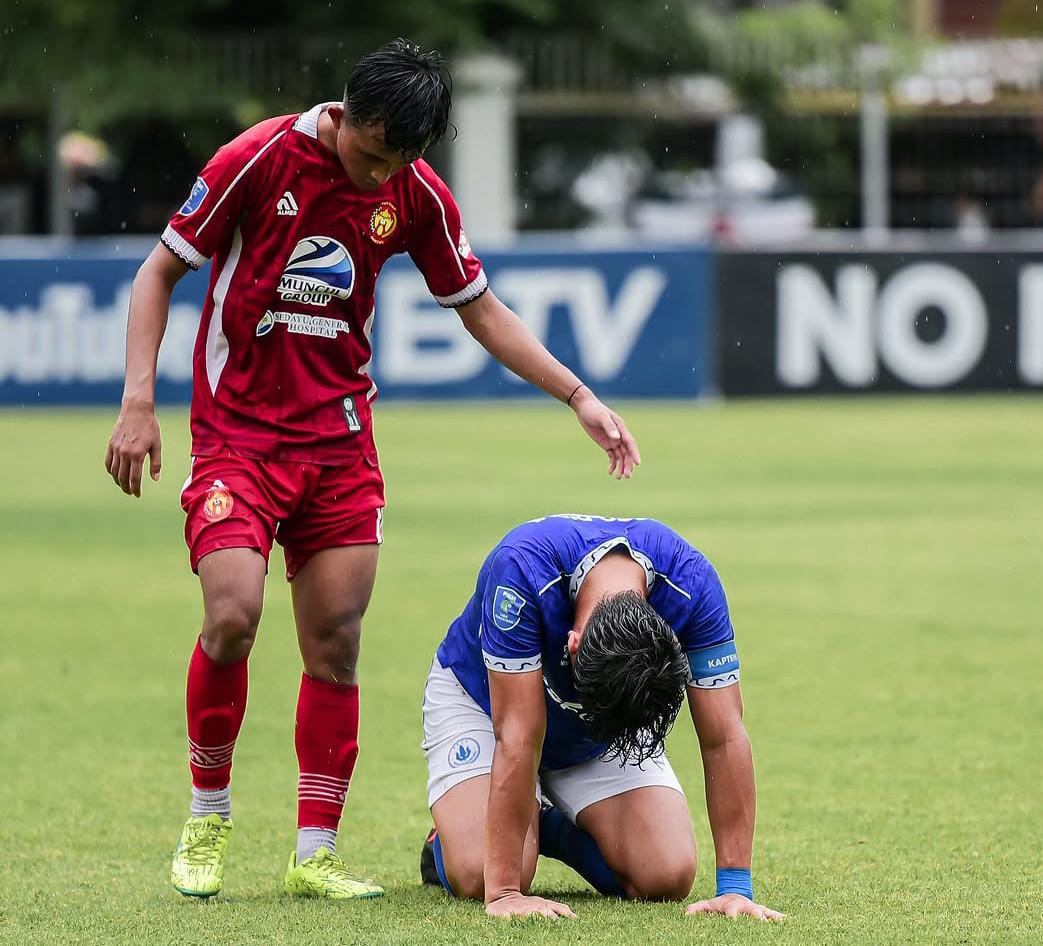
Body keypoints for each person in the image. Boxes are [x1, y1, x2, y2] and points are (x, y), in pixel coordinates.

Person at [103, 40, 640, 901]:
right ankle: (208, 816)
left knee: (337, 645)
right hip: (238, 439)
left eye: (399, 159)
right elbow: (157, 272)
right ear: (349, 114)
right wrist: (138, 401)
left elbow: (482, 311)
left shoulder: (414, 191)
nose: (379, 173)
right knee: (232, 617)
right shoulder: (258, 157)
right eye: (373, 151)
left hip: (341, 449)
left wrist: (577, 394)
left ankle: (314, 853)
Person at [419, 514, 782, 921]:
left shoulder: (692, 585)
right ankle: (457, 835)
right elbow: (517, 734)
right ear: (572, 644)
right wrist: (504, 893)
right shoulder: (521, 567)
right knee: (480, 873)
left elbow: (725, 735)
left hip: (591, 733)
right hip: (484, 706)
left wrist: (735, 888)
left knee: (666, 874)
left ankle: (541, 821)